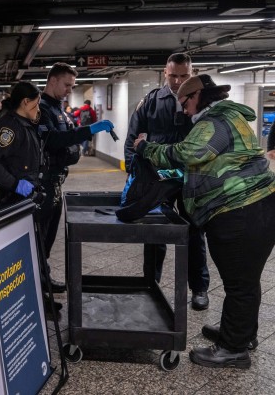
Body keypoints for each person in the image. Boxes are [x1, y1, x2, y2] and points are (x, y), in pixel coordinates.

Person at [134, 74, 275, 369]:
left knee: (240, 283)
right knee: (244, 279)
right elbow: (212, 162)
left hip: (240, 210)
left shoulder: (214, 121)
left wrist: (147, 148)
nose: (183, 111)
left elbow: (191, 153)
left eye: (184, 104)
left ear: (196, 96)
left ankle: (233, 349)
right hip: (253, 208)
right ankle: (240, 333)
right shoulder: (228, 116)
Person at [124, 53, 210, 311]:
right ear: (165, 73)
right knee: (154, 232)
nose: (177, 81)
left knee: (194, 231)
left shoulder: (203, 101)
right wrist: (135, 171)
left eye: (184, 76)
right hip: (157, 177)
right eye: (173, 75)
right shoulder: (150, 101)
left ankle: (200, 288)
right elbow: (131, 139)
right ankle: (152, 282)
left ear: (192, 73)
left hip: (190, 178)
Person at [39, 62, 114, 293]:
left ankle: (43, 275)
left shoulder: (58, 109)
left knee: (49, 235)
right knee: (40, 235)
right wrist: (89, 130)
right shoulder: (42, 109)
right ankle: (38, 282)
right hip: (44, 182)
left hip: (57, 180)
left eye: (72, 87)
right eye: (67, 85)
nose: (70, 91)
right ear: (53, 81)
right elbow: (54, 140)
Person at [0, 81, 44, 209]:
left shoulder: (25, 125)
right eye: (37, 103)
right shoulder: (9, 128)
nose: (38, 108)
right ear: (26, 102)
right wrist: (15, 184)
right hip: (12, 198)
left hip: (25, 196)